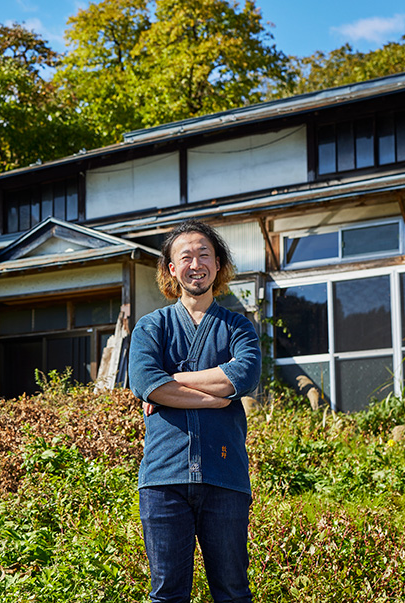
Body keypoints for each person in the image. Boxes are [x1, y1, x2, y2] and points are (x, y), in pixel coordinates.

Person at [128, 219, 261, 603]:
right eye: (185, 256)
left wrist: (173, 381)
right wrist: (217, 396)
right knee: (168, 594)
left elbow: (244, 375)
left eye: (205, 253)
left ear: (218, 264)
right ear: (172, 269)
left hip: (225, 476)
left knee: (233, 592)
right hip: (163, 477)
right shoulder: (151, 327)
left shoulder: (238, 326)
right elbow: (145, 382)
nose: (196, 263)